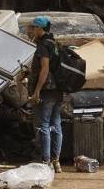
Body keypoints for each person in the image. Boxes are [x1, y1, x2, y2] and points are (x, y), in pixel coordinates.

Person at [26, 16, 64, 172]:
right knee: (56, 125)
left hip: (47, 90)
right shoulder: (55, 43)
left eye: (34, 27)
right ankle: (57, 162)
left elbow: (45, 69)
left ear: (40, 29)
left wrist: (36, 91)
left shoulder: (43, 46)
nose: (32, 30)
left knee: (44, 125)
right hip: (58, 90)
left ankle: (46, 162)